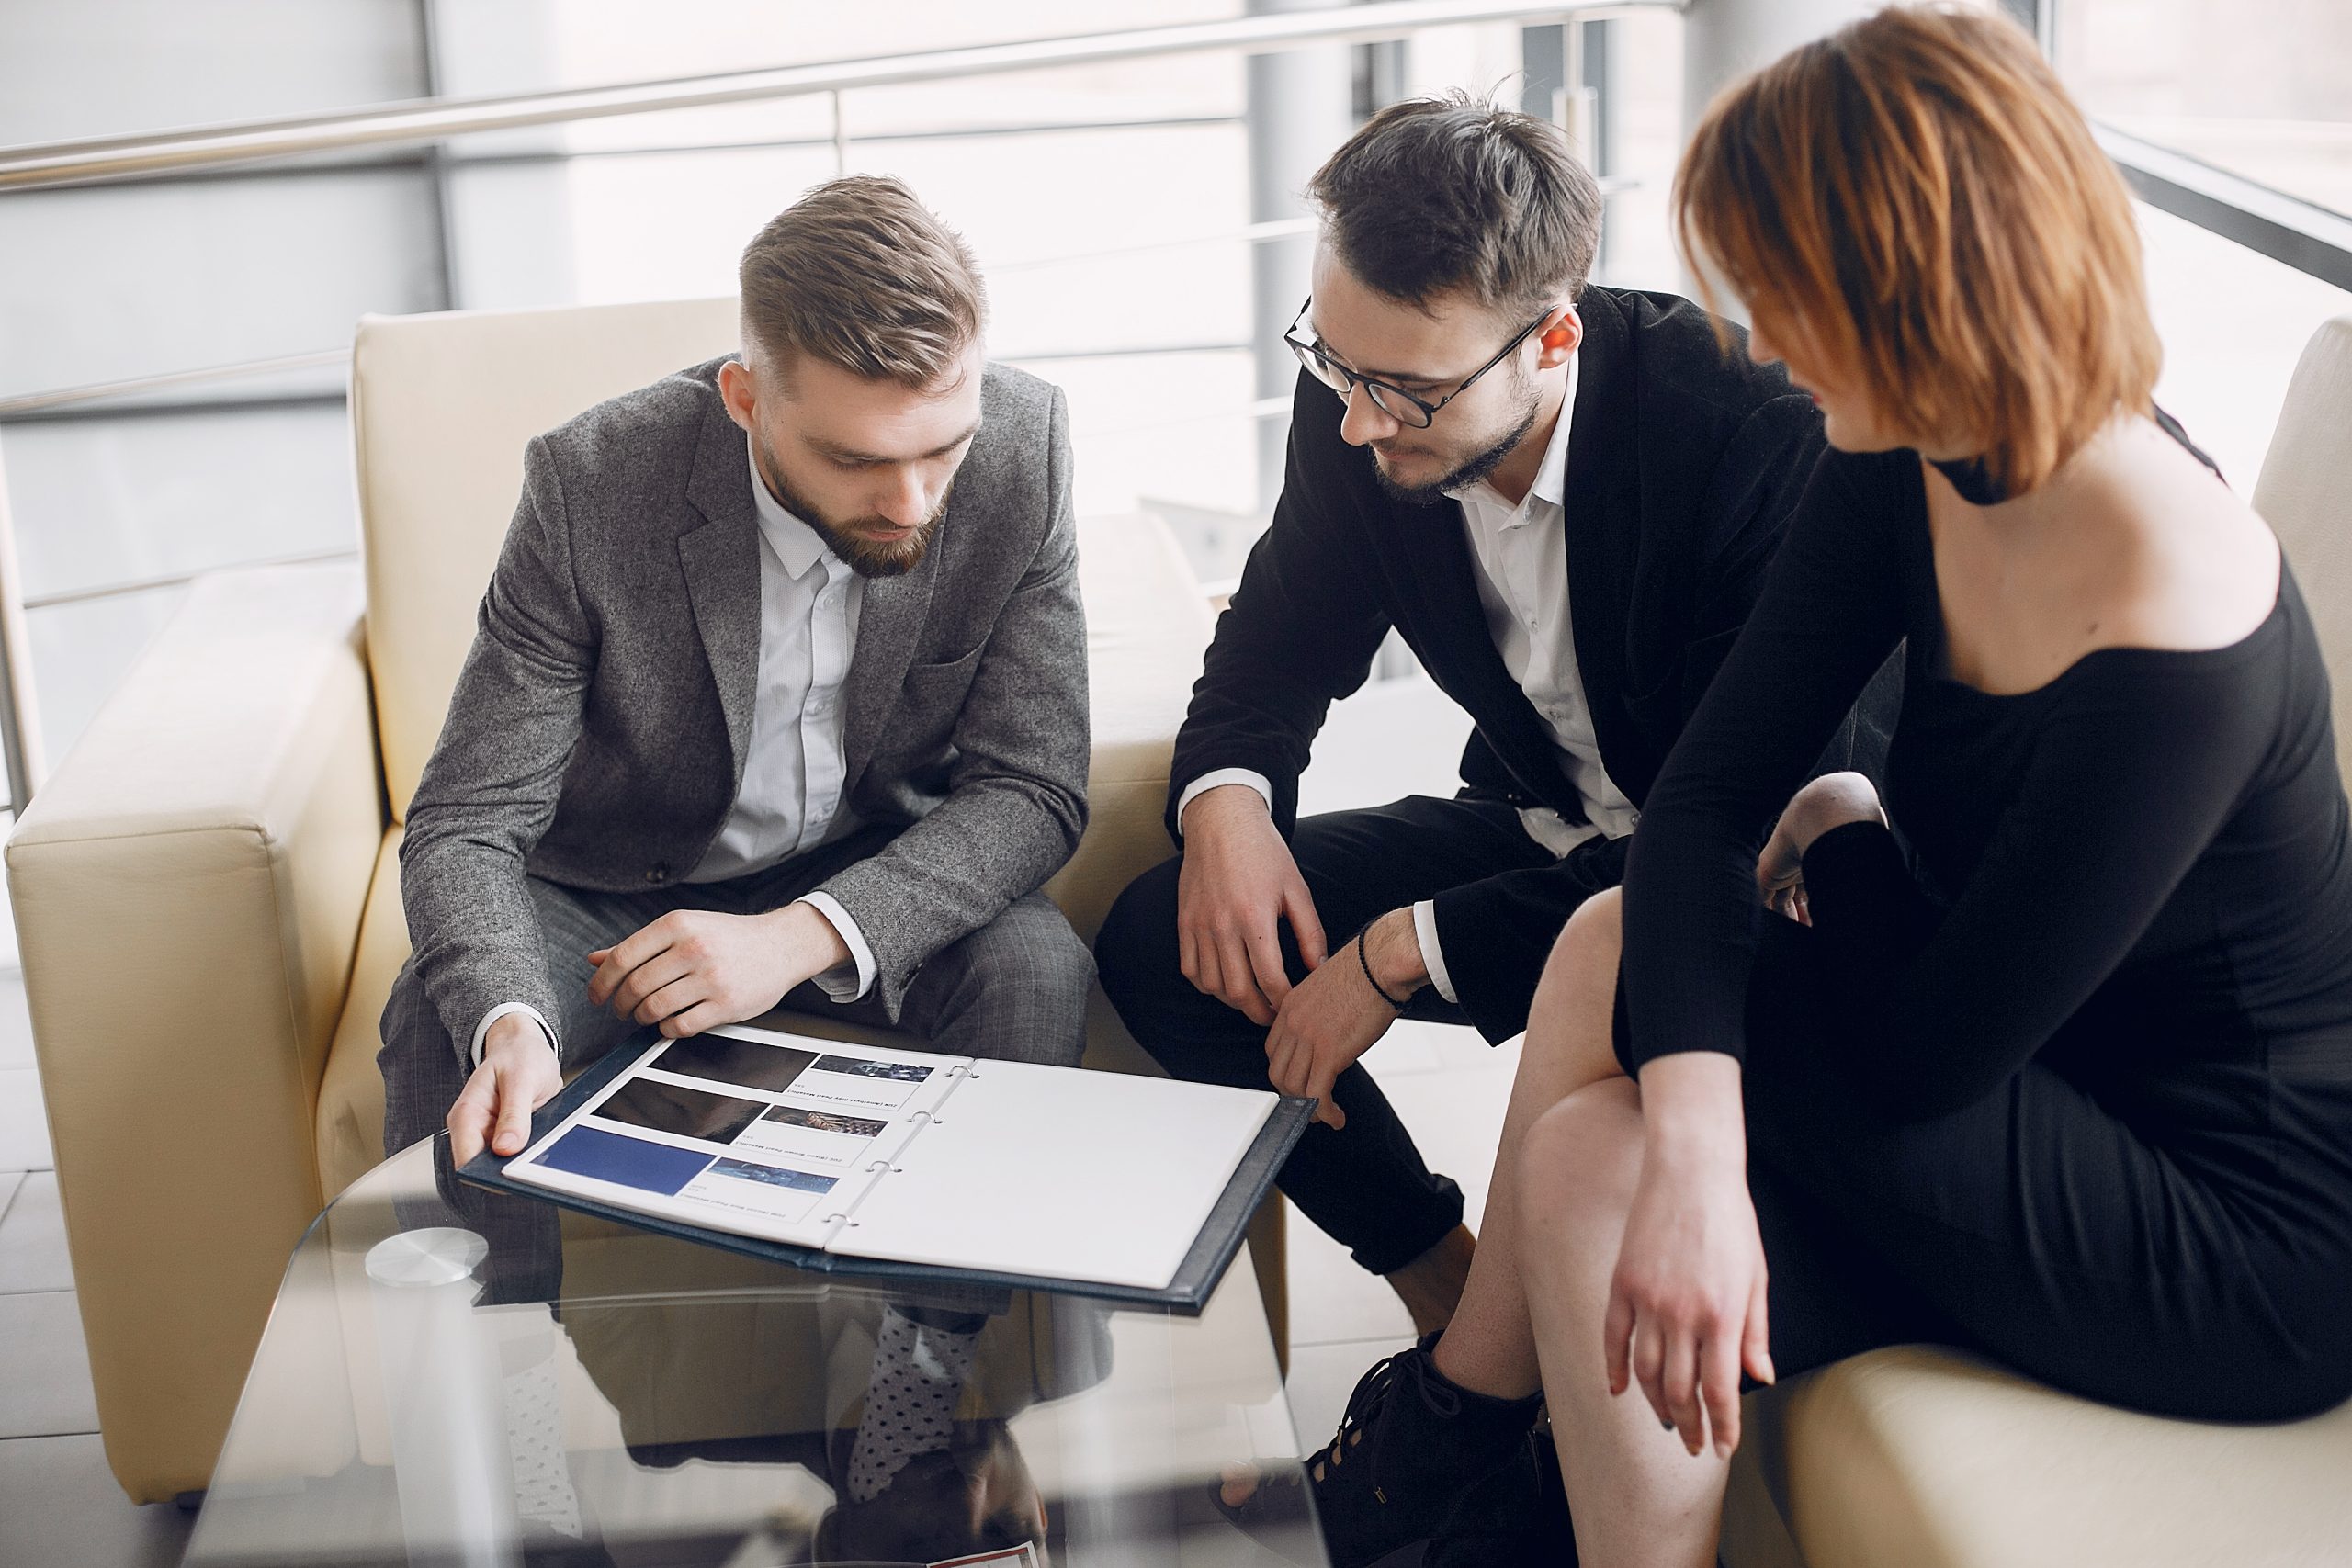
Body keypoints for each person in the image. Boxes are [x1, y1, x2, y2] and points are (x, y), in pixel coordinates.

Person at [1283, 10, 2352, 1567]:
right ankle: (1501, 1486)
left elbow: (1923, 1050)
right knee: (1596, 1151)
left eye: (1788, 299)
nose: (1766, 342)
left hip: (2224, 1227)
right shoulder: (1905, 454)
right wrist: (1699, 1154)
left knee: (1610, 965)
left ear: (1919, 297)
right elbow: (1713, 806)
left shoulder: (2170, 609)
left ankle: (1448, 1451)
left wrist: (1845, 827)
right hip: (2014, 1098)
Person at [1093, 93, 1894, 1335]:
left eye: (1404, 391)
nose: (1358, 419)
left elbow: (1729, 840)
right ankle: (1439, 1276)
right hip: (1547, 826)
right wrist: (1232, 808)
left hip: (1734, 894)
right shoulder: (1362, 398)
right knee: (1171, 937)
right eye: (1332, 359)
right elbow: (1273, 645)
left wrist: (1399, 947)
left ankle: (1503, 1390)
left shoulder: (1752, 442)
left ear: (1553, 339)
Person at [380, 175, 1094, 1169]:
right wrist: (512, 1026)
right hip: (617, 889)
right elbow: (467, 817)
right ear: (745, 399)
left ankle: (942, 1327)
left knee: (1036, 976)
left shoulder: (1027, 454)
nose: (912, 503)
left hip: (870, 857)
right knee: (442, 1018)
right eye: (857, 461)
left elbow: (1034, 784)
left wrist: (804, 936)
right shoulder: (591, 485)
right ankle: (498, 1326)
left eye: (945, 449)